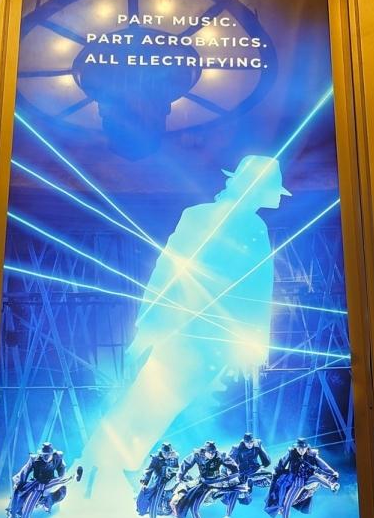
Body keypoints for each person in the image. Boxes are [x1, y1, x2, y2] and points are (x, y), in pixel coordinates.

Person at [81, 155, 289, 486]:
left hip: (207, 340)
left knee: (157, 403)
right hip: (189, 335)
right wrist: (149, 326)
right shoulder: (214, 220)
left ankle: (104, 469)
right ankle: (98, 468)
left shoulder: (239, 224)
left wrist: (251, 343)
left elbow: (255, 290)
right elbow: (172, 271)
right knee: (153, 400)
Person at [6, 441, 79, 518]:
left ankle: (74, 477)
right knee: (27, 508)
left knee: (60, 481)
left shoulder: (57, 457)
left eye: (48, 455)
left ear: (52, 453)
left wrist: (63, 474)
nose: (46, 457)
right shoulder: (34, 459)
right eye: (44, 455)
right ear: (41, 454)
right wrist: (19, 483)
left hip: (50, 482)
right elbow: (24, 471)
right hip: (37, 486)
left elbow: (62, 468)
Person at [170, 440, 240, 518]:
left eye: (213, 453)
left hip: (217, 482)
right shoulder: (197, 455)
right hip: (203, 483)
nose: (211, 455)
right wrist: (179, 478)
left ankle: (228, 512)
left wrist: (233, 476)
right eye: (209, 452)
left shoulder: (220, 455)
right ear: (205, 451)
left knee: (236, 489)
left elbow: (233, 466)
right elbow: (185, 464)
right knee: (193, 508)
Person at [265, 437, 339, 518]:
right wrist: (275, 470)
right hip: (296, 482)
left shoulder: (312, 454)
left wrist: (332, 472)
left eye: (303, 448)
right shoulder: (291, 453)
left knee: (317, 477)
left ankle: (332, 486)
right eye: (299, 448)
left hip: (308, 478)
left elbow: (323, 465)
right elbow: (282, 462)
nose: (301, 450)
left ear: (306, 447)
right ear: (296, 447)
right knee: (287, 503)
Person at [221, 432, 272, 518]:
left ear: (253, 441)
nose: (249, 444)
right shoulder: (236, 448)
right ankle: (228, 514)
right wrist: (232, 475)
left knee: (272, 480)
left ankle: (275, 505)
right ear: (244, 442)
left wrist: (262, 467)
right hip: (242, 474)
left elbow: (266, 460)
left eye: (251, 442)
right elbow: (228, 463)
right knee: (238, 494)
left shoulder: (257, 444)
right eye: (247, 442)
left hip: (255, 471)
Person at [136, 442, 180, 518]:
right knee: (146, 496)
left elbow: (177, 469)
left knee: (155, 501)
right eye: (164, 453)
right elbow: (149, 469)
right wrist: (145, 480)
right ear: (162, 452)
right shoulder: (156, 458)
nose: (166, 455)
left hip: (166, 482)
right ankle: (144, 511)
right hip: (155, 480)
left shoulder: (174, 458)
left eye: (168, 453)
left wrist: (172, 473)